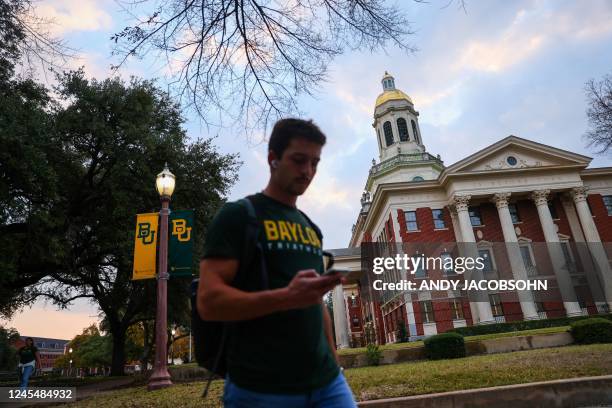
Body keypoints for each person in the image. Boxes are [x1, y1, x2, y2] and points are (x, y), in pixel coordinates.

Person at [198, 118, 357, 407]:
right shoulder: (239, 216)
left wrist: (335, 366)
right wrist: (285, 297)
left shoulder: (311, 229)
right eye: (298, 160)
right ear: (273, 158)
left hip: (327, 383)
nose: (307, 171)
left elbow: (315, 303)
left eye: (315, 163)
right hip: (261, 387)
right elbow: (208, 301)